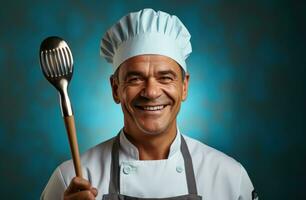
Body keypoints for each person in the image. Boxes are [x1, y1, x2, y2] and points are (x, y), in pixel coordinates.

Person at [41, 8, 258, 200]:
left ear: (184, 87)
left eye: (165, 77)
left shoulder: (229, 178)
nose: (151, 92)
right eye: (135, 78)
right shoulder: (70, 180)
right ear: (116, 89)